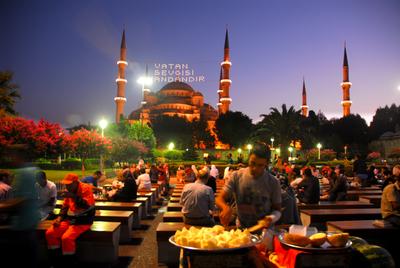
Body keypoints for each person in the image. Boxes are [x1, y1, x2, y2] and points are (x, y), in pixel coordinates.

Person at [216, 143, 282, 229]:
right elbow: (219, 198)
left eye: (260, 165)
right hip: (242, 228)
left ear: (266, 164)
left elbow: (277, 210)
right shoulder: (236, 176)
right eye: (252, 163)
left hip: (264, 231)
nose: (255, 168)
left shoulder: (273, 182)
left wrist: (271, 218)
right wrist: (225, 207)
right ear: (248, 158)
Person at [46, 173, 95, 265]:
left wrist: (73, 196)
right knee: (50, 233)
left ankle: (69, 262)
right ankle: (55, 260)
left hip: (83, 220)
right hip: (70, 220)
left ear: (76, 182)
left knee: (66, 238)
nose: (67, 186)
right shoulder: (69, 192)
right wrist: (59, 218)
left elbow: (86, 205)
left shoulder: (85, 188)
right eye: (66, 184)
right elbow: (65, 206)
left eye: (69, 184)